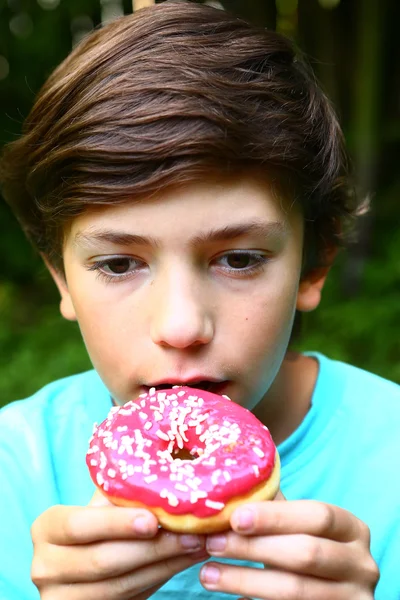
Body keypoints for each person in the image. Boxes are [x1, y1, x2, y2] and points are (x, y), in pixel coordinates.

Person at [0, 2, 398, 599]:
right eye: (118, 263)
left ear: (314, 265)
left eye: (238, 259)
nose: (182, 326)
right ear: (62, 281)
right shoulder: (14, 473)